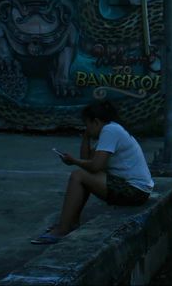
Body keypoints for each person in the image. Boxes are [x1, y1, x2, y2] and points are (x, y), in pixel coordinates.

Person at [31, 100, 154, 244]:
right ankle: (71, 223)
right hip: (134, 189)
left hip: (135, 191)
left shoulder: (110, 131)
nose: (86, 128)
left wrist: (74, 161)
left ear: (95, 122)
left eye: (87, 125)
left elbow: (94, 166)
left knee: (77, 175)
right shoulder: (109, 131)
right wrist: (86, 136)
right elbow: (87, 161)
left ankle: (62, 229)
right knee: (82, 176)